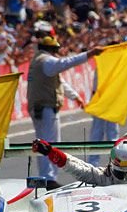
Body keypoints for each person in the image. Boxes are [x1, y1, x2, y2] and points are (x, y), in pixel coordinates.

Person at [27, 35, 100, 189]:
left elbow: (60, 83)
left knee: (43, 142)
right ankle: (49, 178)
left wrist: (74, 96)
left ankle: (46, 177)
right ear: (51, 49)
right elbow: (66, 63)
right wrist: (89, 54)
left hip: (40, 107)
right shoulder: (46, 61)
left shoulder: (38, 61)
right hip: (46, 108)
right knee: (50, 143)